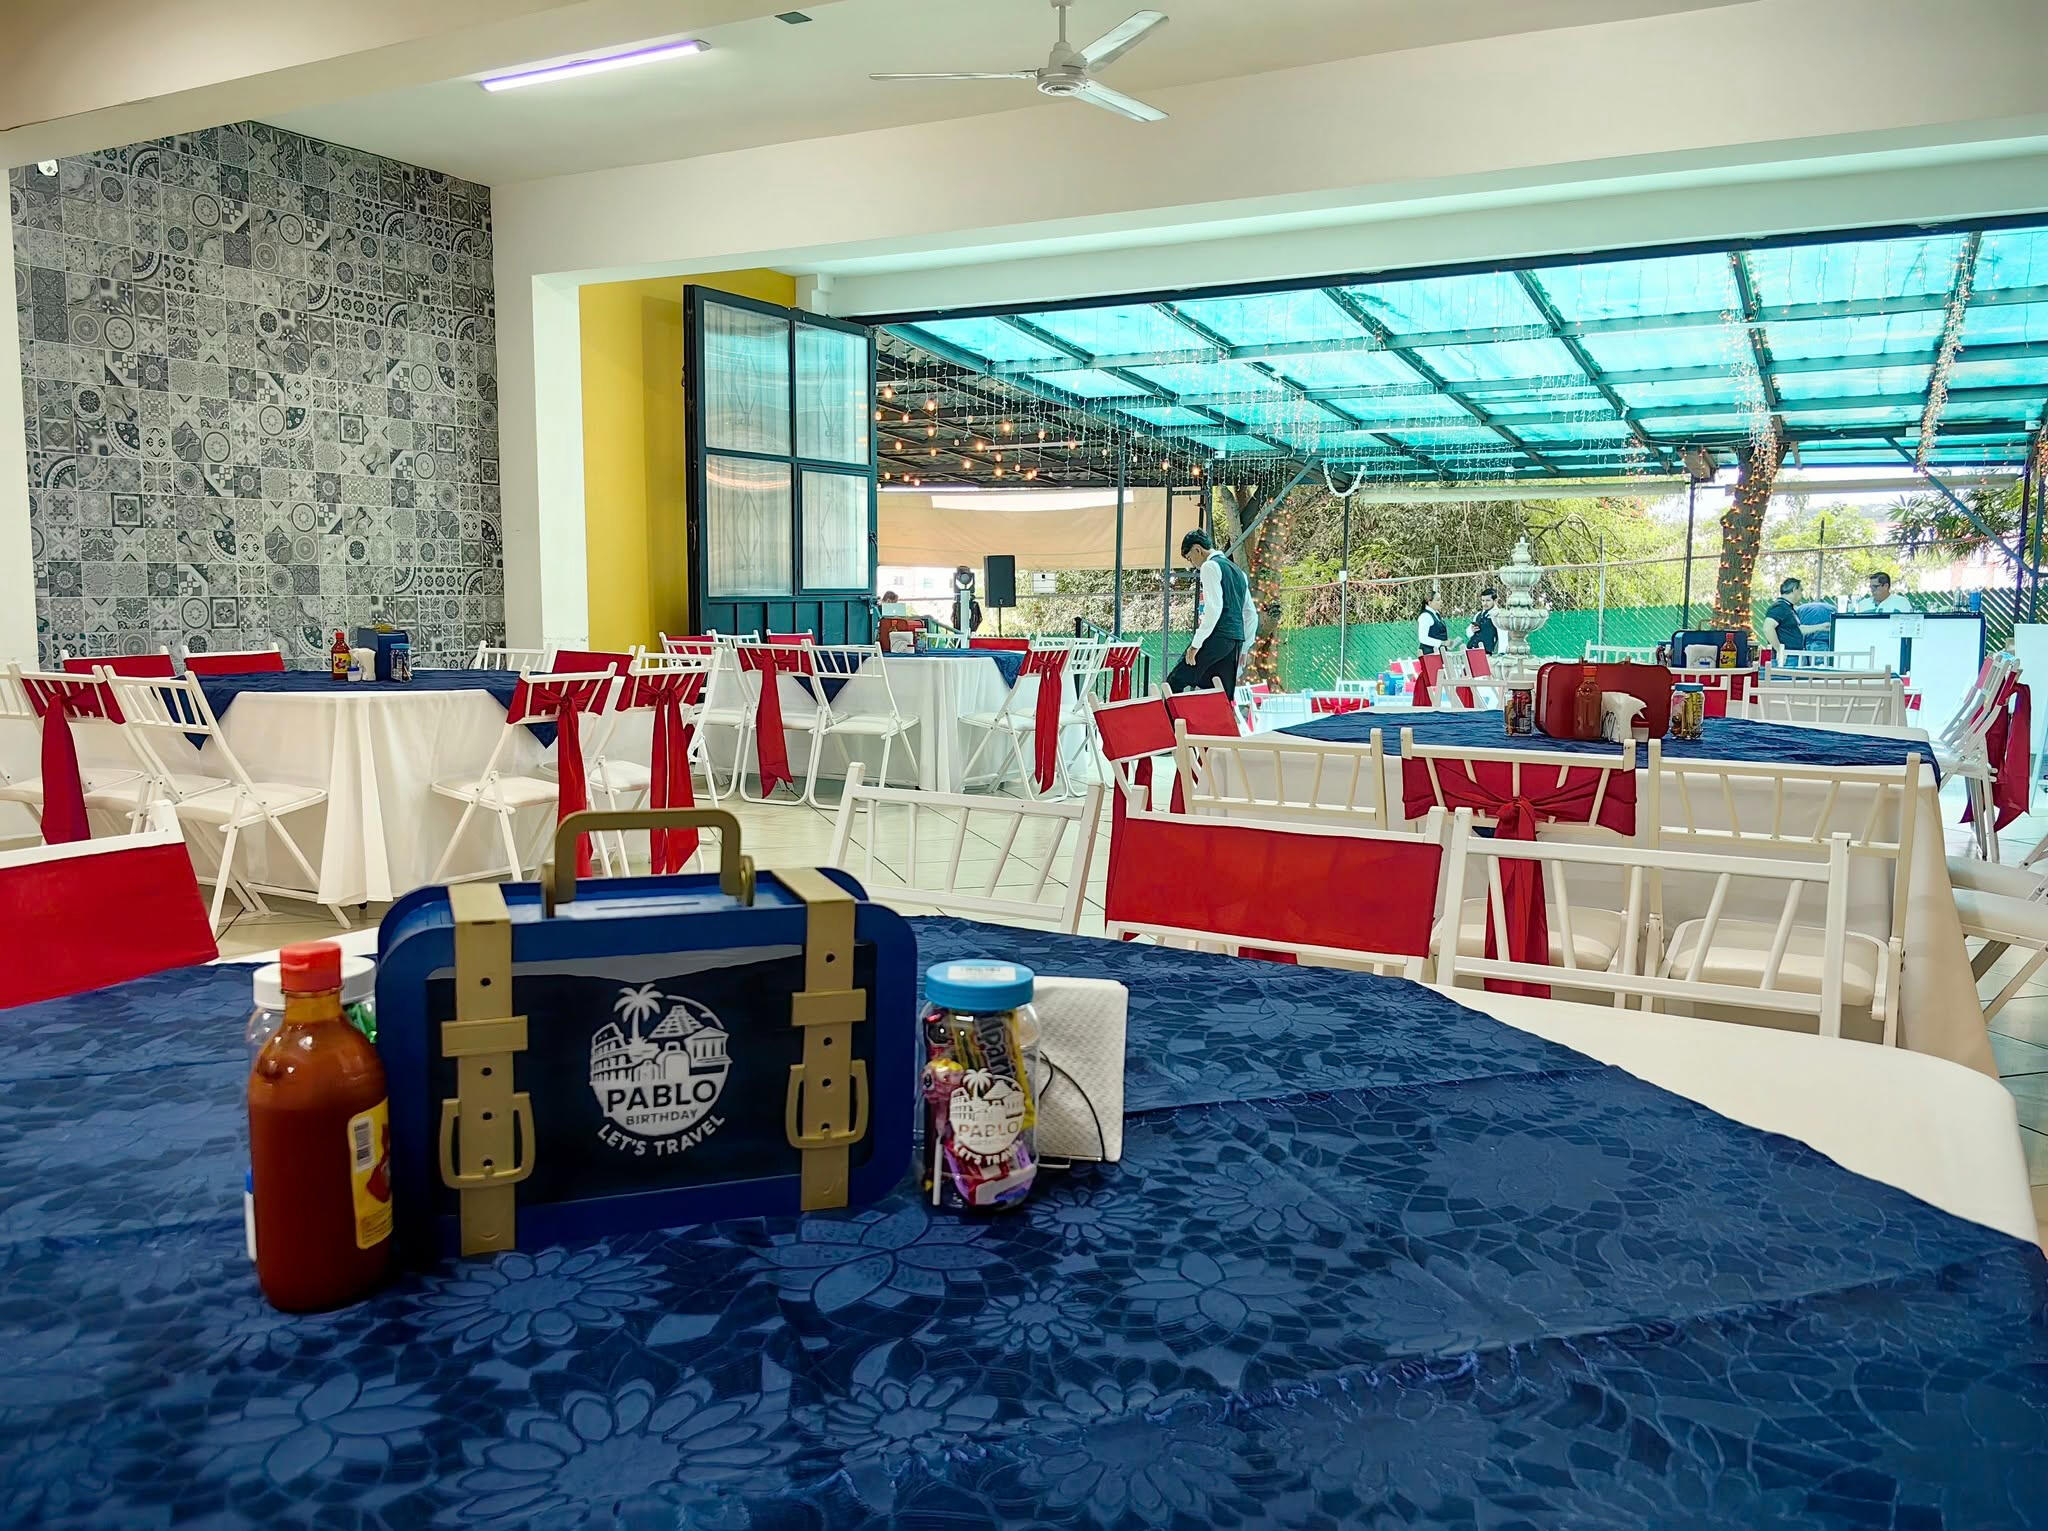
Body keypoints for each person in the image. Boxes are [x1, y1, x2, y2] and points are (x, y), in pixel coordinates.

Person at [1168, 528, 1250, 695]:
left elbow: (1213, 608)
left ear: (1197, 549)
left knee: (1175, 681)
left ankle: (1173, 713)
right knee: (1220, 692)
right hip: (1236, 640)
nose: (1193, 564)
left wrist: (1195, 645)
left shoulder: (1209, 566)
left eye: (1190, 558)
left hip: (1217, 636)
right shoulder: (1239, 572)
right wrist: (1245, 647)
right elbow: (1250, 613)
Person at [1762, 576, 1808, 655]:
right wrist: (1779, 650)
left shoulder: (1788, 608)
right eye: (1801, 590)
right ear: (1794, 589)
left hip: (1791, 655)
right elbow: (1768, 628)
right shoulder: (1780, 607)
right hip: (1786, 657)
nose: (1802, 594)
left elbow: (1798, 629)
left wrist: (1822, 627)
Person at [1466, 587, 1500, 654]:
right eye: (1483, 600)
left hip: (1488, 652)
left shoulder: (1498, 615)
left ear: (1495, 601)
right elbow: (1468, 633)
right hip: (1471, 649)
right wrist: (1472, 630)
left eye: (1488, 600)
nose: (1485, 603)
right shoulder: (1478, 614)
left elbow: (1502, 636)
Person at [1416, 594, 1449, 660]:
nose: (1441, 601)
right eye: (1438, 600)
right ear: (1430, 603)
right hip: (1430, 654)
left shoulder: (1436, 614)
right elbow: (1423, 638)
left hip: (1439, 652)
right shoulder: (1425, 616)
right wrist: (1442, 643)